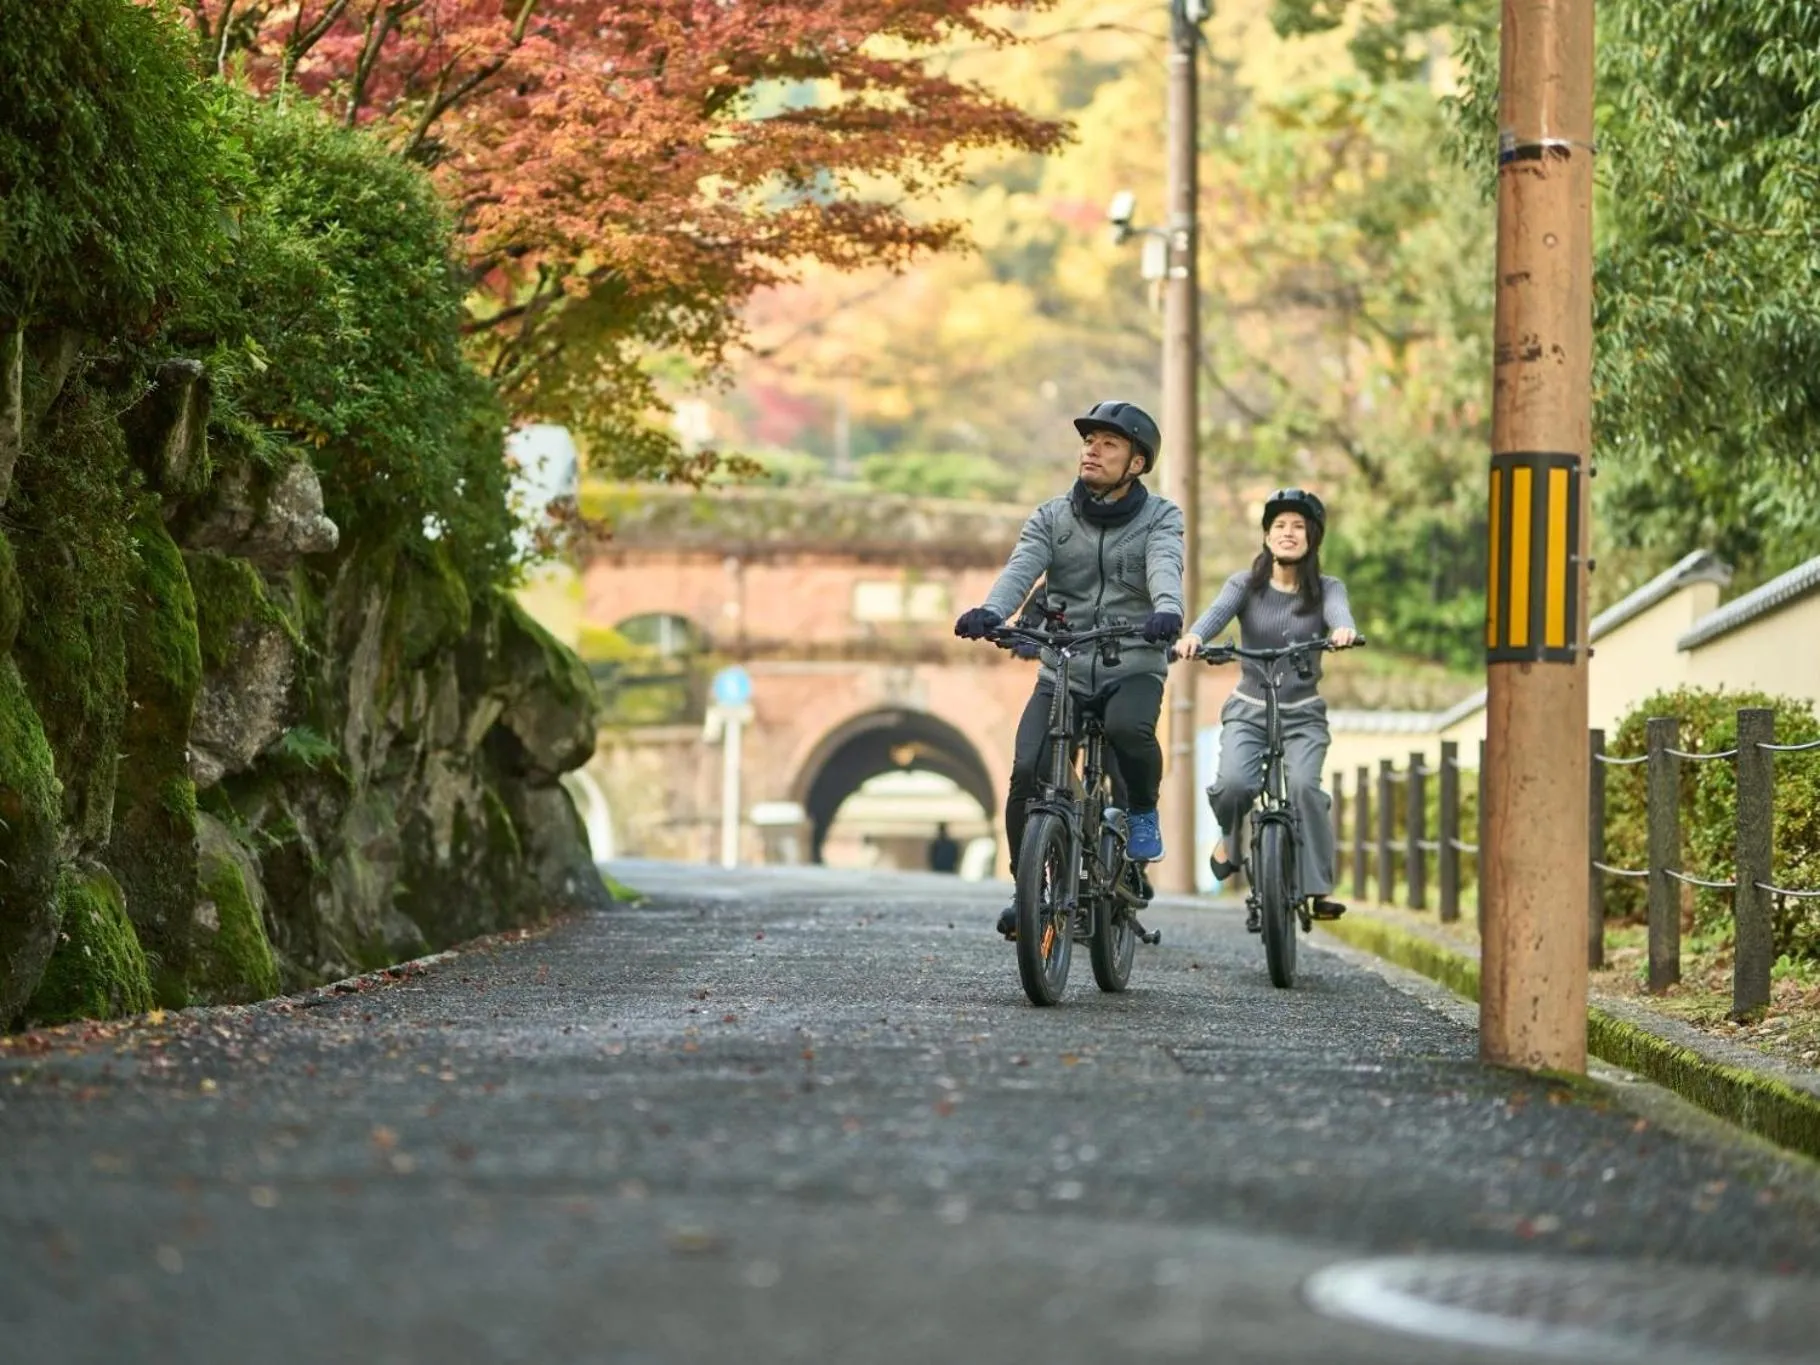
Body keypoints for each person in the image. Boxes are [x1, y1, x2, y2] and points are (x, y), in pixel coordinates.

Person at [954, 400, 1185, 938]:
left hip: (1132, 656)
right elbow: (1022, 567)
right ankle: (1027, 888)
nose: (1093, 450)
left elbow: (1164, 565)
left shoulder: (1161, 517)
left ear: (1136, 463)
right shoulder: (1052, 517)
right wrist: (993, 611)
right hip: (1065, 661)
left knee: (1130, 729)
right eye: (1089, 442)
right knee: (1026, 769)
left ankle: (1142, 811)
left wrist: (1167, 609)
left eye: (1108, 444)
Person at [1173, 488, 1357, 927]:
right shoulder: (1245, 585)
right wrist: (1195, 636)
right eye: (1279, 526)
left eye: (1297, 527)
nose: (1288, 534)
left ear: (1312, 537)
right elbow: (1216, 614)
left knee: (1306, 790)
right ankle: (1231, 839)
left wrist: (1344, 631)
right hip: (1250, 708)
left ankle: (1317, 888)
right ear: (1267, 536)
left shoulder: (1327, 588)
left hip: (1303, 714)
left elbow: (1340, 613)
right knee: (1234, 783)